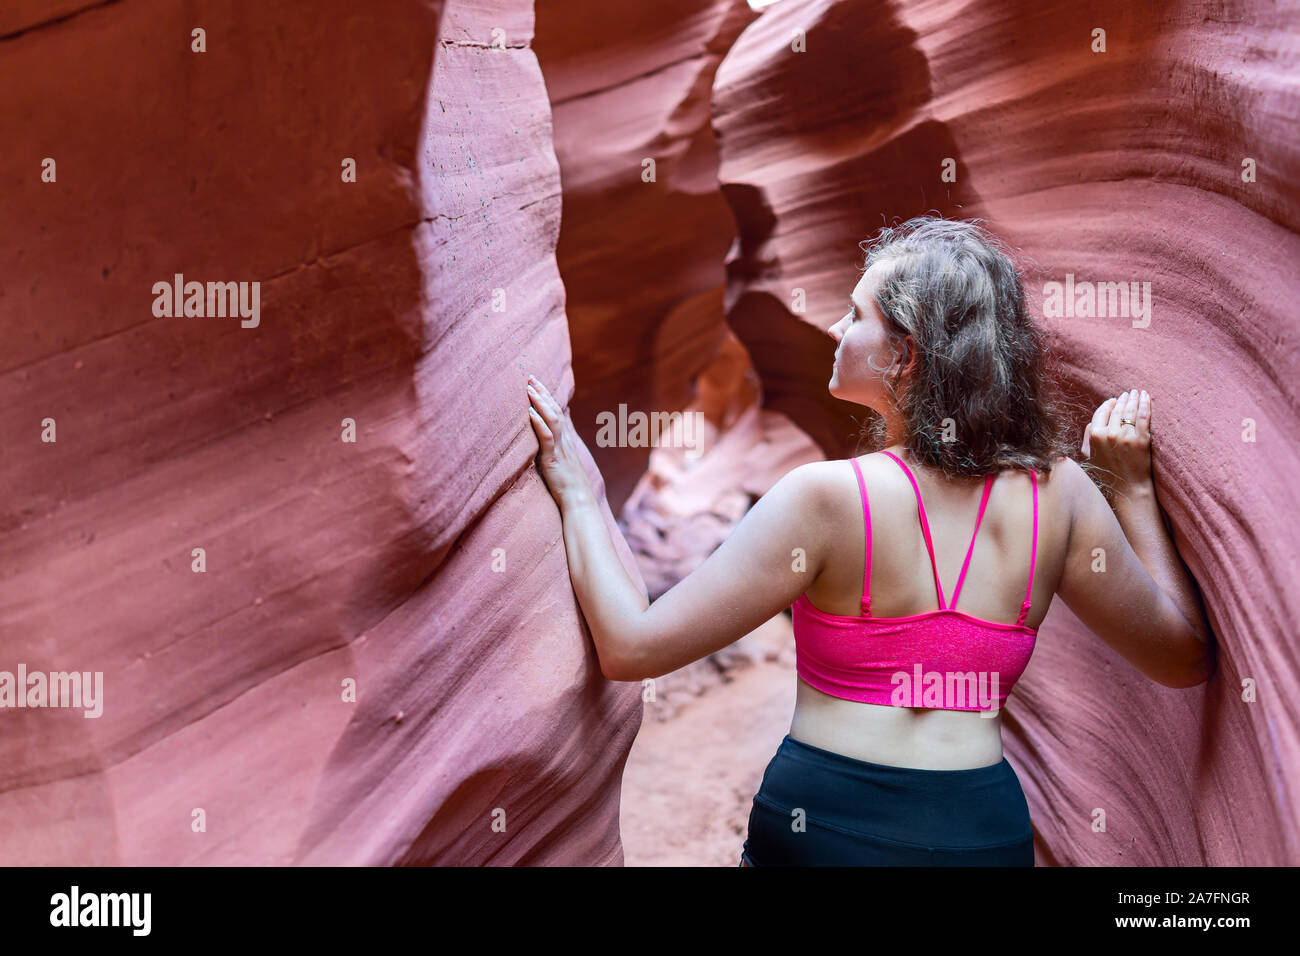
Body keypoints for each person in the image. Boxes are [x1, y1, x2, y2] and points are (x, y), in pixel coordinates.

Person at [525, 215, 1214, 867]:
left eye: (856, 315)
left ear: (904, 356)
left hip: (828, 825)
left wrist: (578, 494)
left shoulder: (823, 497)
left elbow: (631, 647)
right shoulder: (1058, 493)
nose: (834, 326)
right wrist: (1131, 490)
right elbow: (1183, 657)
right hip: (981, 833)